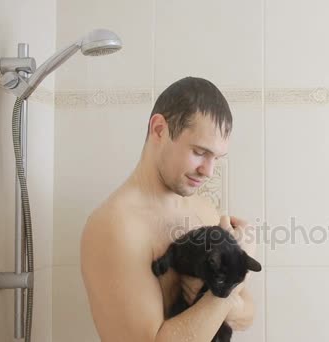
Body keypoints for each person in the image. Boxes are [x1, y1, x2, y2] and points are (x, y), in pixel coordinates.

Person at [80, 77, 257, 341]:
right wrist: (226, 294)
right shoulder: (115, 227)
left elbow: (248, 315)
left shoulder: (204, 209)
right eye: (199, 152)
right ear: (160, 129)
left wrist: (228, 288)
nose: (208, 171)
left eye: (216, 159)